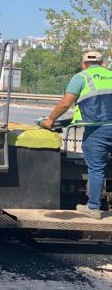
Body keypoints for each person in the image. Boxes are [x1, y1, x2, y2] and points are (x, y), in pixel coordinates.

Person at [42, 51, 112, 220]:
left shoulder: (81, 77)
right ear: (103, 63)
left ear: (83, 64)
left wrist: (50, 120)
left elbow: (66, 102)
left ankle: (93, 208)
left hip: (97, 130)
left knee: (96, 168)